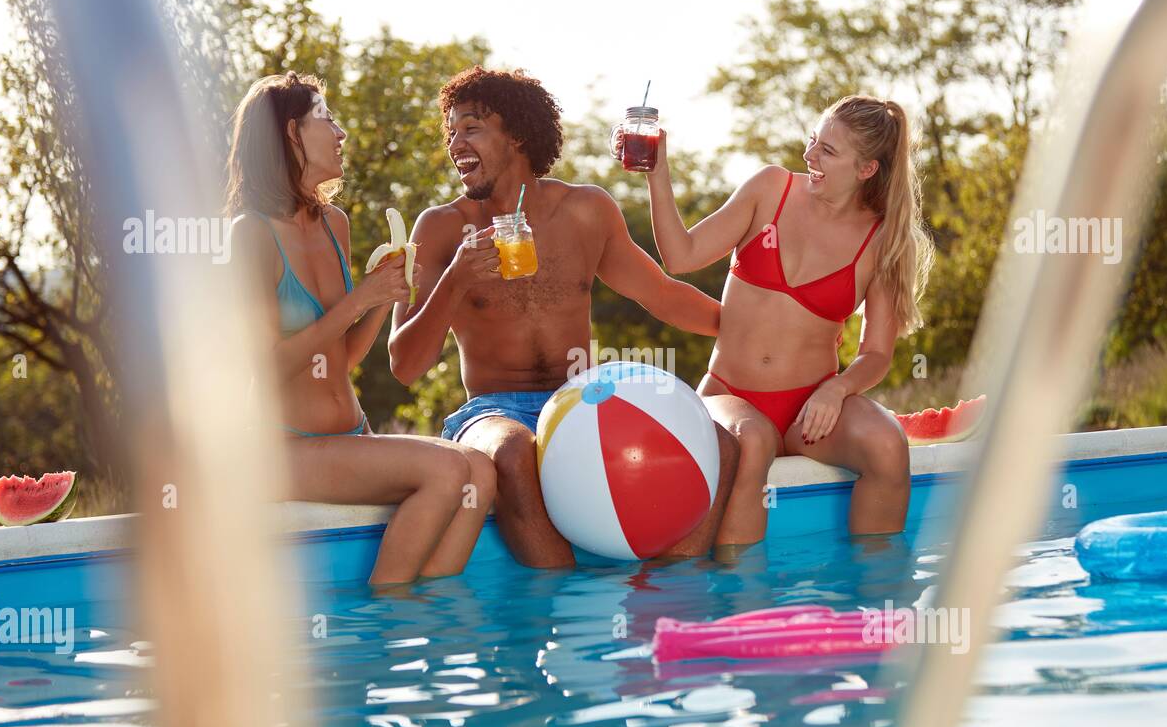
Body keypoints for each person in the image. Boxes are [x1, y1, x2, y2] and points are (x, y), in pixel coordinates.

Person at [388, 66, 739, 568]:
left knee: (719, 443)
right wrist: (457, 280)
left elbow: (662, 295)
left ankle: (672, 586)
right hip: (492, 412)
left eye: (470, 127)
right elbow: (404, 364)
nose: (454, 143)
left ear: (518, 135)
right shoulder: (441, 228)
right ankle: (561, 613)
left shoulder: (586, 211)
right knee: (513, 452)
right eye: (451, 131)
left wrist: (754, 331)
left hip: (584, 399)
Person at [225, 71, 495, 584]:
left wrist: (381, 297)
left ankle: (427, 611)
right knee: (445, 472)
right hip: (284, 449)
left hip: (350, 433)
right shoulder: (252, 236)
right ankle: (391, 614)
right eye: (327, 119)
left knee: (480, 470)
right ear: (290, 133)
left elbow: (342, 359)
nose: (341, 133)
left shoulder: (335, 224)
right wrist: (359, 300)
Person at [641, 96, 934, 550]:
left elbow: (876, 356)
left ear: (867, 170)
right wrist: (657, 173)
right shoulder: (769, 190)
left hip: (810, 412)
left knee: (888, 446)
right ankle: (741, 604)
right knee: (752, 441)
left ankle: (876, 597)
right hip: (729, 395)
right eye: (813, 141)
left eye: (828, 151)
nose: (810, 155)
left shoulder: (883, 240)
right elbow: (682, 256)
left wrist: (835, 390)